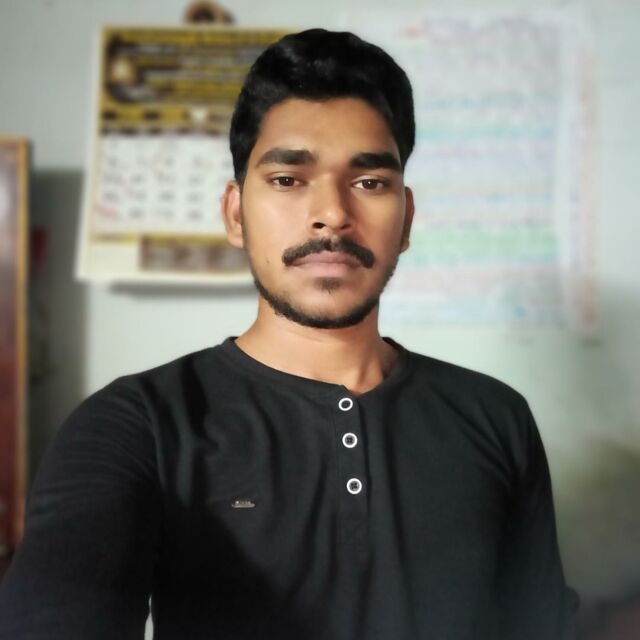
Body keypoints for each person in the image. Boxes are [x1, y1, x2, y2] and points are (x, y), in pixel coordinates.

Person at [0, 28, 577, 639]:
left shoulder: (496, 418)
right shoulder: (136, 425)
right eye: (287, 179)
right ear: (235, 213)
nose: (331, 214)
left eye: (369, 182)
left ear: (406, 219)